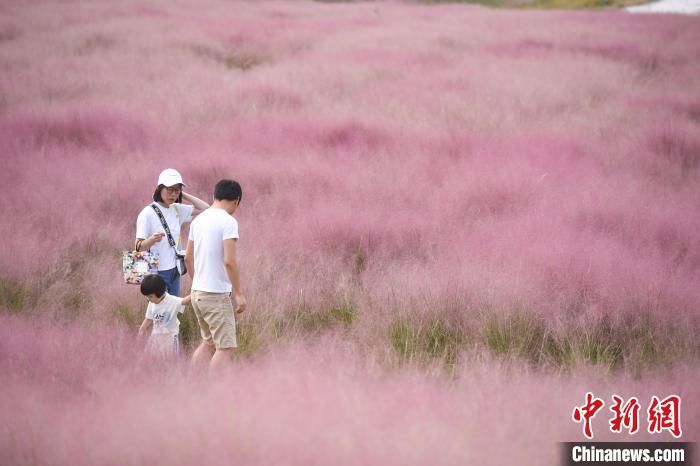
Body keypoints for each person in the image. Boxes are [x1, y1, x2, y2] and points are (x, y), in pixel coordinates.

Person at [185, 179, 246, 376]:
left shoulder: (198, 220)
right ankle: (215, 394)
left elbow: (187, 258)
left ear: (214, 196)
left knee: (208, 343)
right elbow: (229, 261)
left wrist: (196, 284)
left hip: (197, 293)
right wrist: (238, 294)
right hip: (216, 295)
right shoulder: (228, 221)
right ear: (236, 200)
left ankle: (193, 384)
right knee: (225, 347)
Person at [135, 168, 210, 296]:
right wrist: (152, 240)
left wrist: (182, 194)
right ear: (160, 189)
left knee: (172, 310)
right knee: (159, 312)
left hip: (175, 270)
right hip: (155, 272)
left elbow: (206, 208)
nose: (173, 194)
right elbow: (138, 247)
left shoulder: (176, 209)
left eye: (177, 190)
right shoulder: (147, 213)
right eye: (170, 189)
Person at [137, 274, 191, 359]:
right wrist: (141, 330)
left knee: (171, 362)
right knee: (151, 361)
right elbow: (149, 318)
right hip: (155, 338)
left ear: (159, 293)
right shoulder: (152, 302)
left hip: (170, 339)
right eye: (146, 296)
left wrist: (198, 292)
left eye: (150, 296)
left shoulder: (172, 301)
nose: (148, 299)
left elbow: (186, 301)